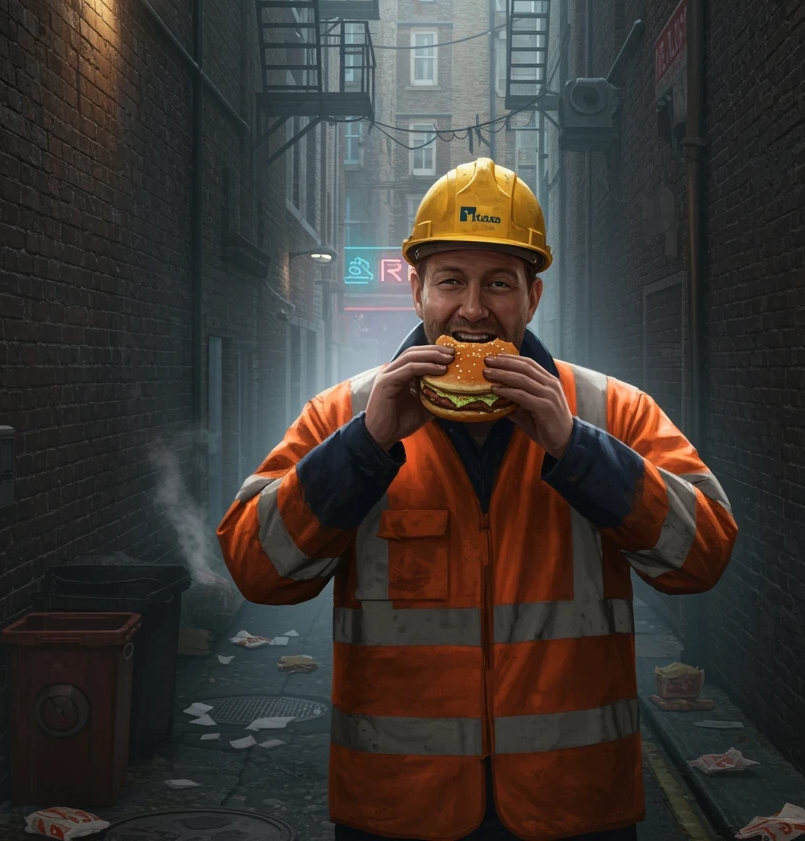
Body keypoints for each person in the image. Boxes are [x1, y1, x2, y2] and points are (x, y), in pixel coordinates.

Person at [219, 158, 738, 841]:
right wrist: (364, 448)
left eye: (498, 283)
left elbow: (703, 556)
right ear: (416, 291)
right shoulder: (346, 414)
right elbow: (257, 570)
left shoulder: (609, 410)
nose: (472, 309)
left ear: (532, 297)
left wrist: (577, 449)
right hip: (400, 810)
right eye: (450, 281)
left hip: (574, 808)